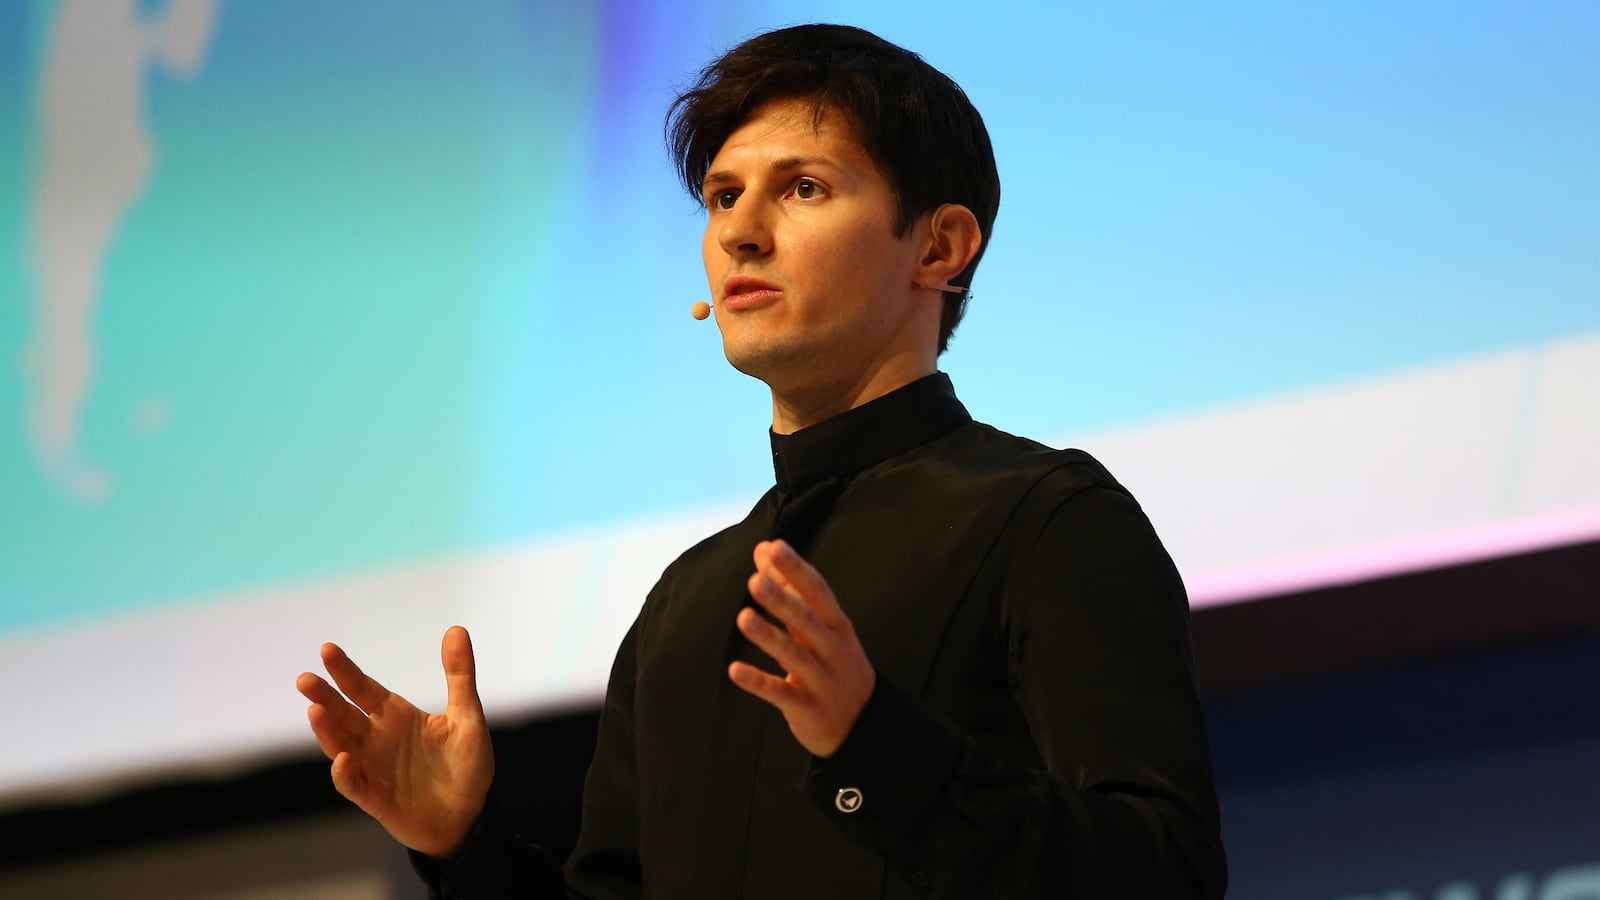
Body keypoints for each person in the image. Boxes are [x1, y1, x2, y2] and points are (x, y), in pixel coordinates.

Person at [297, 23, 1227, 899]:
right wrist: (463, 848)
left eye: (804, 187)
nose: (739, 232)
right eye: (724, 195)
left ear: (939, 246)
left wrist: (875, 748)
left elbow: (1166, 873)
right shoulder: (685, 605)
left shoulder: (1046, 520)